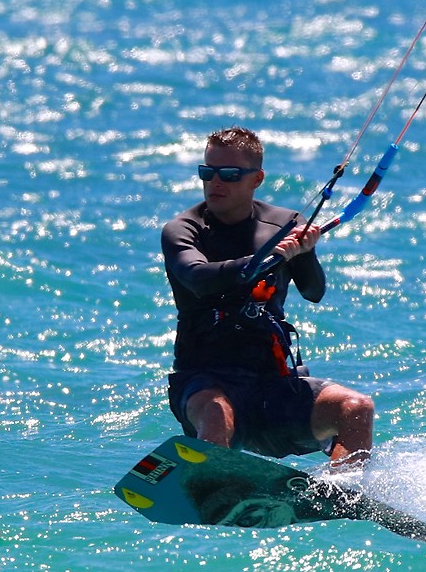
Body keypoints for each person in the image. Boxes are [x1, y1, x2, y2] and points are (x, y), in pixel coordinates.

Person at [160, 126, 375, 465]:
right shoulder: (184, 230)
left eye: (229, 174)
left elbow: (313, 292)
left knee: (356, 408)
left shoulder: (284, 224)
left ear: (256, 179)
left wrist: (304, 252)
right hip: (205, 380)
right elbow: (198, 278)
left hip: (273, 384)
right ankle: (212, 485)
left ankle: (343, 491)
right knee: (217, 413)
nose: (215, 182)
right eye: (208, 172)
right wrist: (267, 258)